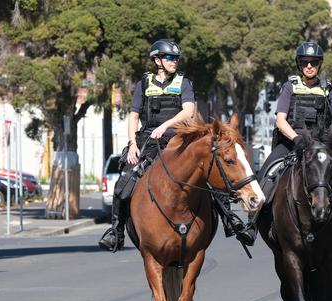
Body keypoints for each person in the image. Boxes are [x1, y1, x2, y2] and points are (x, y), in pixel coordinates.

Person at [98, 39, 249, 252]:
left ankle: (229, 220)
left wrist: (166, 125)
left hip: (180, 141)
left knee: (210, 176)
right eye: (170, 57)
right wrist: (133, 145)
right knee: (124, 182)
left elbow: (188, 111)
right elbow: (133, 116)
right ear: (157, 60)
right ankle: (116, 231)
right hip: (149, 142)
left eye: (176, 58)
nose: (174, 62)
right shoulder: (144, 84)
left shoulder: (184, 82)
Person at [238, 41, 332, 247]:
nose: (309, 66)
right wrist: (296, 138)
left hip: (320, 147)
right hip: (292, 143)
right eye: (304, 62)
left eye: (313, 62)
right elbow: (280, 120)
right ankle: (253, 226)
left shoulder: (328, 89)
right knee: (265, 175)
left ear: (319, 64)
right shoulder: (289, 87)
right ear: (299, 64)